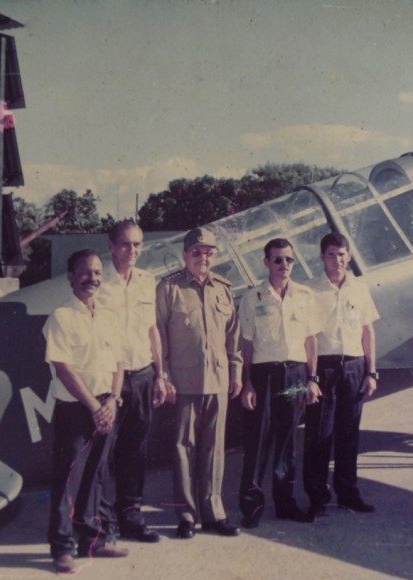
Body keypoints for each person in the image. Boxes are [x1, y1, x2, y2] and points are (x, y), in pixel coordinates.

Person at [43, 249, 128, 575]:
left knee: (97, 477)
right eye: (84, 272)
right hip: (76, 409)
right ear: (70, 276)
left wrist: (113, 400)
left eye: (96, 273)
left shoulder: (107, 316)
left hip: (106, 405)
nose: (92, 278)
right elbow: (63, 368)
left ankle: (95, 541)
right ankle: (62, 549)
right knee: (68, 481)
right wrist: (95, 406)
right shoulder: (61, 317)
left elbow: (118, 363)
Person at [155, 227, 243, 539]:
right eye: (196, 252)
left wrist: (236, 371)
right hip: (183, 381)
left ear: (214, 255)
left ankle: (214, 513)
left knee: (214, 448)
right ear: (185, 255)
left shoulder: (224, 288)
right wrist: (162, 376)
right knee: (183, 448)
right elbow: (160, 337)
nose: (202, 257)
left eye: (208, 252)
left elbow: (232, 334)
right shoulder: (169, 288)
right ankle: (187, 515)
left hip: (218, 380)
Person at [238, 237, 321, 528]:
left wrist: (312, 378)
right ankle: (251, 508)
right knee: (257, 443)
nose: (284, 265)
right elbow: (246, 344)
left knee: (288, 444)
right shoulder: (252, 298)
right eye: (277, 260)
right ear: (266, 263)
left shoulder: (305, 295)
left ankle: (286, 505)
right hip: (264, 376)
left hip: (296, 374)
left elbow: (311, 341)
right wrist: (247, 383)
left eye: (288, 259)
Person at [96, 220, 168, 543]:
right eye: (125, 244)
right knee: (105, 452)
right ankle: (105, 521)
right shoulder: (98, 282)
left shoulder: (146, 281)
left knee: (135, 452)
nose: (132, 251)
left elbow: (152, 330)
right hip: (109, 379)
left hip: (141, 375)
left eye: (138, 245)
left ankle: (132, 516)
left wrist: (160, 375)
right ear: (111, 246)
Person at [303, 233, 380, 519]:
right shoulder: (309, 290)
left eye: (342, 254)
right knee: (319, 436)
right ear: (322, 257)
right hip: (324, 368)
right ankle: (318, 498)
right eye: (332, 254)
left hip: (355, 367)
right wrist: (311, 377)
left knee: (349, 436)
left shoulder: (359, 288)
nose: (338, 260)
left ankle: (349, 494)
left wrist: (371, 372)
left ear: (349, 256)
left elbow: (367, 332)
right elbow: (308, 336)